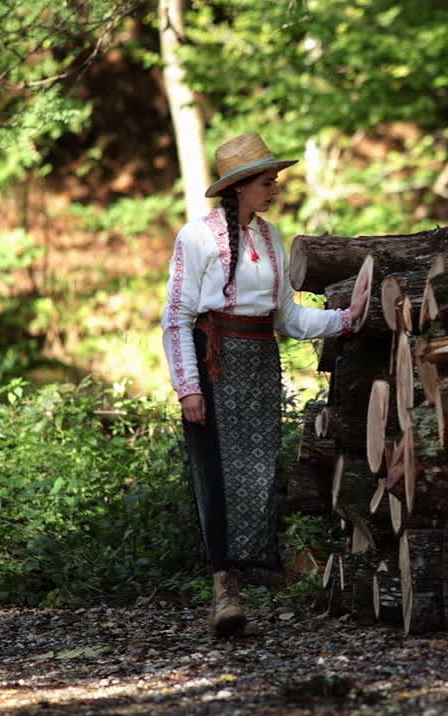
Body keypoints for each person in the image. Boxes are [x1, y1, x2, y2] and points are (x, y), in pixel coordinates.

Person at [161, 132, 369, 636]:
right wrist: (188, 386)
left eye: (274, 181)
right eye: (266, 182)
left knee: (255, 472)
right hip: (215, 363)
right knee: (217, 473)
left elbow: (287, 316)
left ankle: (245, 584)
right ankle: (223, 592)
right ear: (240, 187)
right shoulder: (197, 237)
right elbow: (176, 316)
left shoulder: (270, 237)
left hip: (259, 362)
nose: (275, 189)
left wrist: (344, 319)